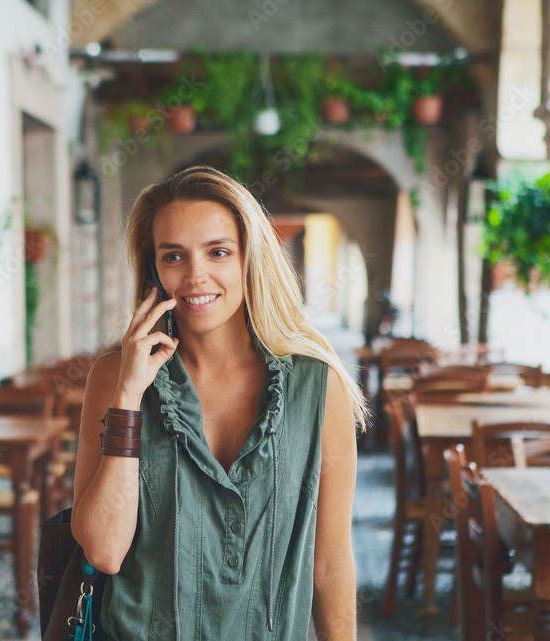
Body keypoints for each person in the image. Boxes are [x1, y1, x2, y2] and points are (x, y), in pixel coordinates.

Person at [71, 166, 367, 640]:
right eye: (173, 257)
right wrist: (128, 398)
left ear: (249, 259)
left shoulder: (318, 385)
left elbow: (330, 564)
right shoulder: (114, 378)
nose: (195, 276)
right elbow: (104, 551)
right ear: (154, 271)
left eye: (218, 252)